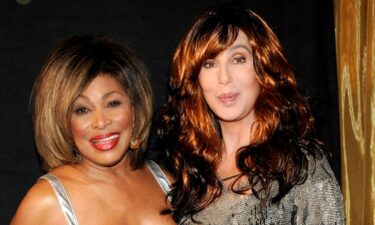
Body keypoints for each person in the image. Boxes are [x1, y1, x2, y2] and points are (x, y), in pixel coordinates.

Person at [154, 4, 345, 224]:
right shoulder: (191, 173)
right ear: (196, 79)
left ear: (262, 67)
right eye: (209, 64)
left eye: (238, 59)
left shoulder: (299, 166)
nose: (224, 78)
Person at [11, 35, 175, 225]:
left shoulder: (167, 182)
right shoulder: (46, 201)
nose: (100, 121)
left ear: (135, 108)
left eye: (112, 103)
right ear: (63, 121)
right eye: (82, 110)